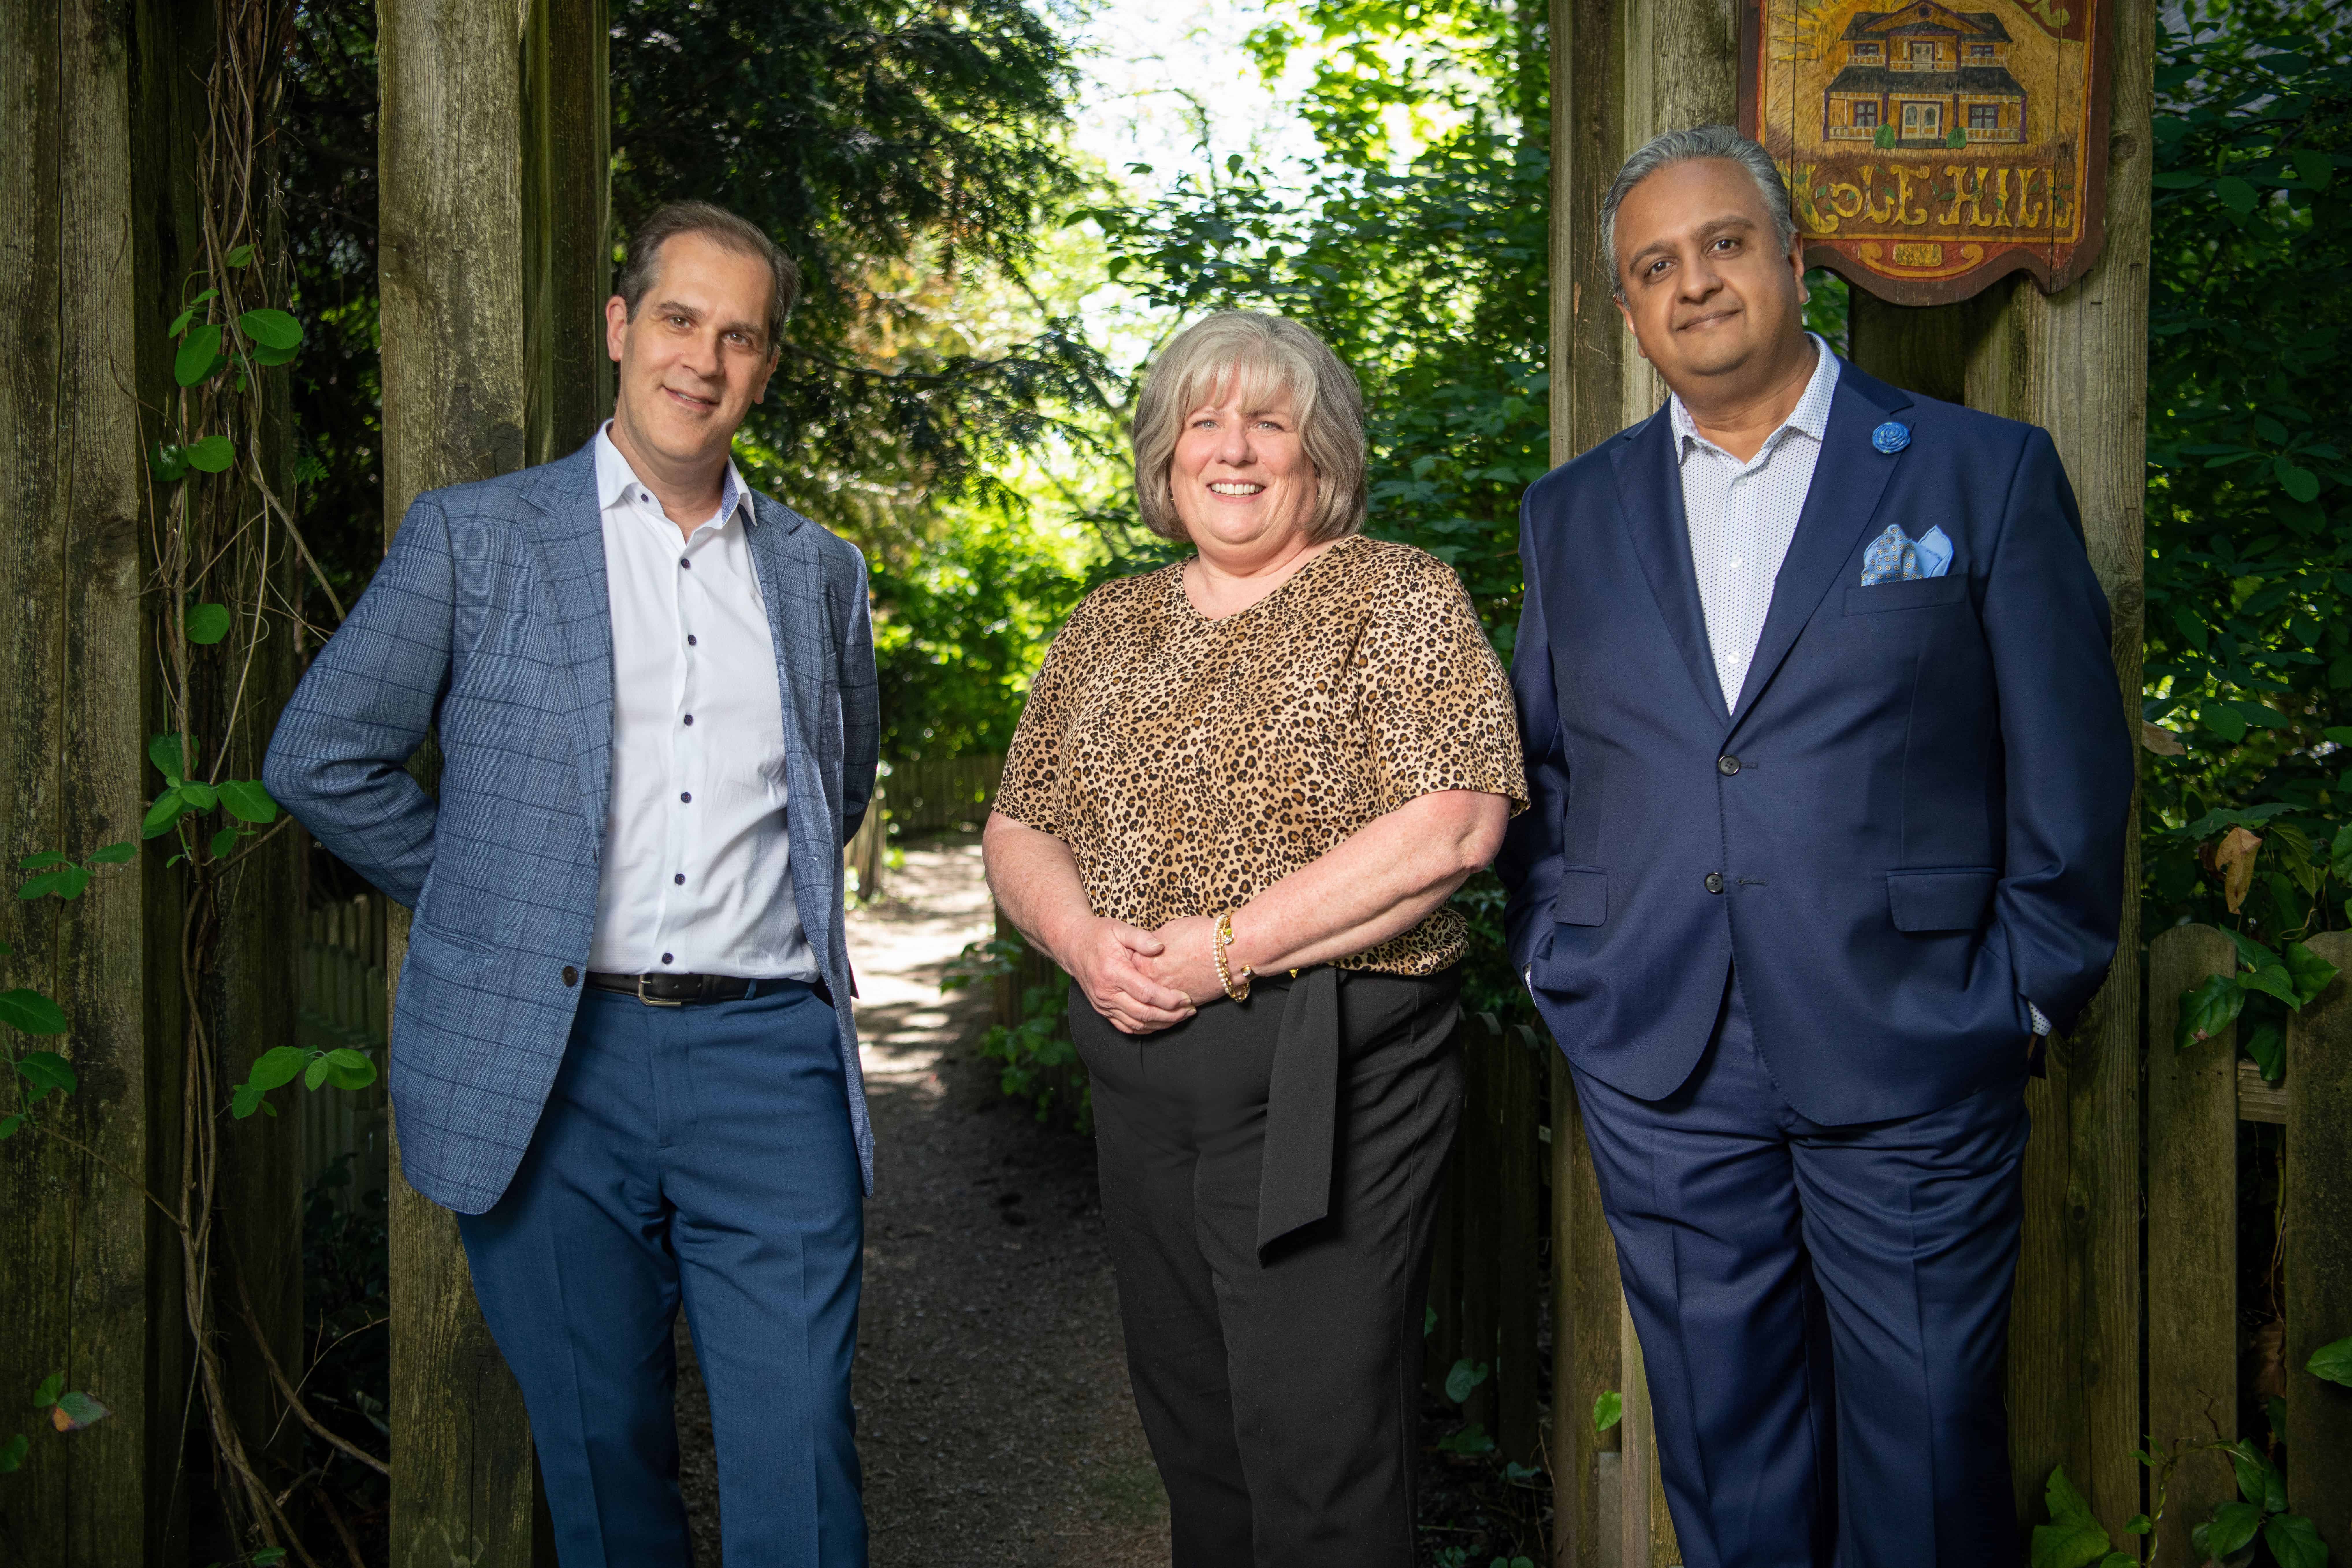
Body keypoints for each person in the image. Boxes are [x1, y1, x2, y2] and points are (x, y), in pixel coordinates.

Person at [1500, 124, 2134, 1565]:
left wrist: (2023, 989)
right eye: (1653, 265)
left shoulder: (1978, 473)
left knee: (1922, 1465)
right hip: (1663, 1052)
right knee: (1726, 1463)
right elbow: (1538, 766)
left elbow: (2069, 764)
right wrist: (1565, 953)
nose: (1693, 283)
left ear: (1791, 257)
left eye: (1721, 243)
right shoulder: (1569, 515)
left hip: (1910, 1041)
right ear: (1625, 309)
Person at [265, 201, 877, 1567]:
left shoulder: (820, 575)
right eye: (677, 319)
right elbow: (319, 756)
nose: (701, 361)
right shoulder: (475, 539)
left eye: (739, 336)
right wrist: (496, 903)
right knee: (600, 1468)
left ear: (765, 367)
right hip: (549, 1071)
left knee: (801, 1464)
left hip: (767, 1061)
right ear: (619, 327)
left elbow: (840, 787)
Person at [983, 309, 1526, 1567]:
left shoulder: (1394, 595)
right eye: (1202, 421)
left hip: (1328, 1079)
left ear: (1317, 452)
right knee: (1196, 1434)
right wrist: (1081, 941)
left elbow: (1453, 825)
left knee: (1315, 1439)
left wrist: (1225, 947)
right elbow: (1020, 824)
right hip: (1140, 1082)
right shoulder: (1105, 626)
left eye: (1267, 423)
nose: (1232, 449)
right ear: (1165, 455)